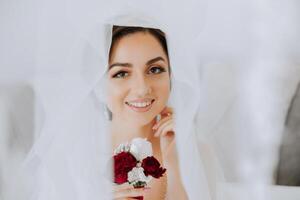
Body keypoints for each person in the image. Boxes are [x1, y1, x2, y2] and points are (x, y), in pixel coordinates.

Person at [107, 26, 187, 199]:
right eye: (121, 73)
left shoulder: (193, 149)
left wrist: (175, 166)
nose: (142, 89)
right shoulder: (75, 154)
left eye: (155, 69)